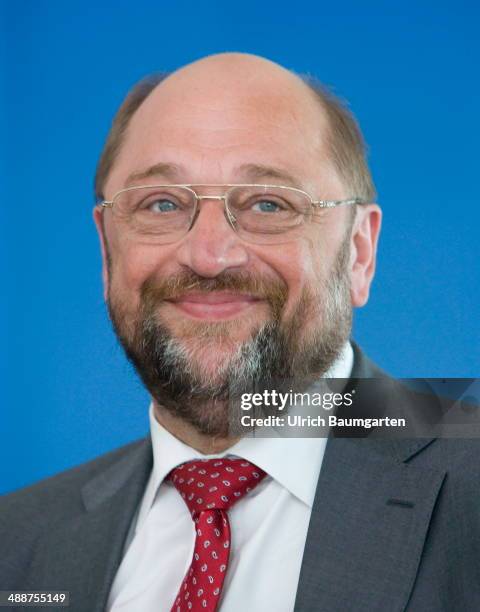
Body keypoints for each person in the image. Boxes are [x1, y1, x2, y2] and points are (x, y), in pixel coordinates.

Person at [1, 52, 479, 612]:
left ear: (358, 253)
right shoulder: (17, 542)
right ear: (107, 250)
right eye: (162, 203)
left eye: (268, 204)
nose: (209, 256)